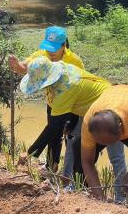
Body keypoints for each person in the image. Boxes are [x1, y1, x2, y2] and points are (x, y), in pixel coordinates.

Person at [19, 57, 126, 199]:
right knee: (74, 142)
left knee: (116, 156)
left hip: (111, 107)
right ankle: (74, 184)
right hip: (88, 106)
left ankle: (121, 199)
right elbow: (77, 99)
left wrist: (31, 152)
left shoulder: (64, 89)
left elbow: (53, 128)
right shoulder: (60, 70)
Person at [73, 85, 128, 214]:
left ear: (121, 128)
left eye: (111, 142)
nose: (106, 146)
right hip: (114, 97)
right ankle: (85, 194)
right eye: (101, 143)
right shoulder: (88, 123)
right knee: (77, 147)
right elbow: (87, 161)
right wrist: (100, 197)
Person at [9, 26, 83, 172]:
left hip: (72, 105)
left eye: (54, 48)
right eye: (48, 47)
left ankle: (73, 176)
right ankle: (51, 166)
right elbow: (25, 67)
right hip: (53, 102)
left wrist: (29, 153)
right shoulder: (42, 55)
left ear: (64, 45)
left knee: (70, 138)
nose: (50, 52)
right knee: (54, 135)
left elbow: (81, 83)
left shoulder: (74, 61)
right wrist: (16, 65)